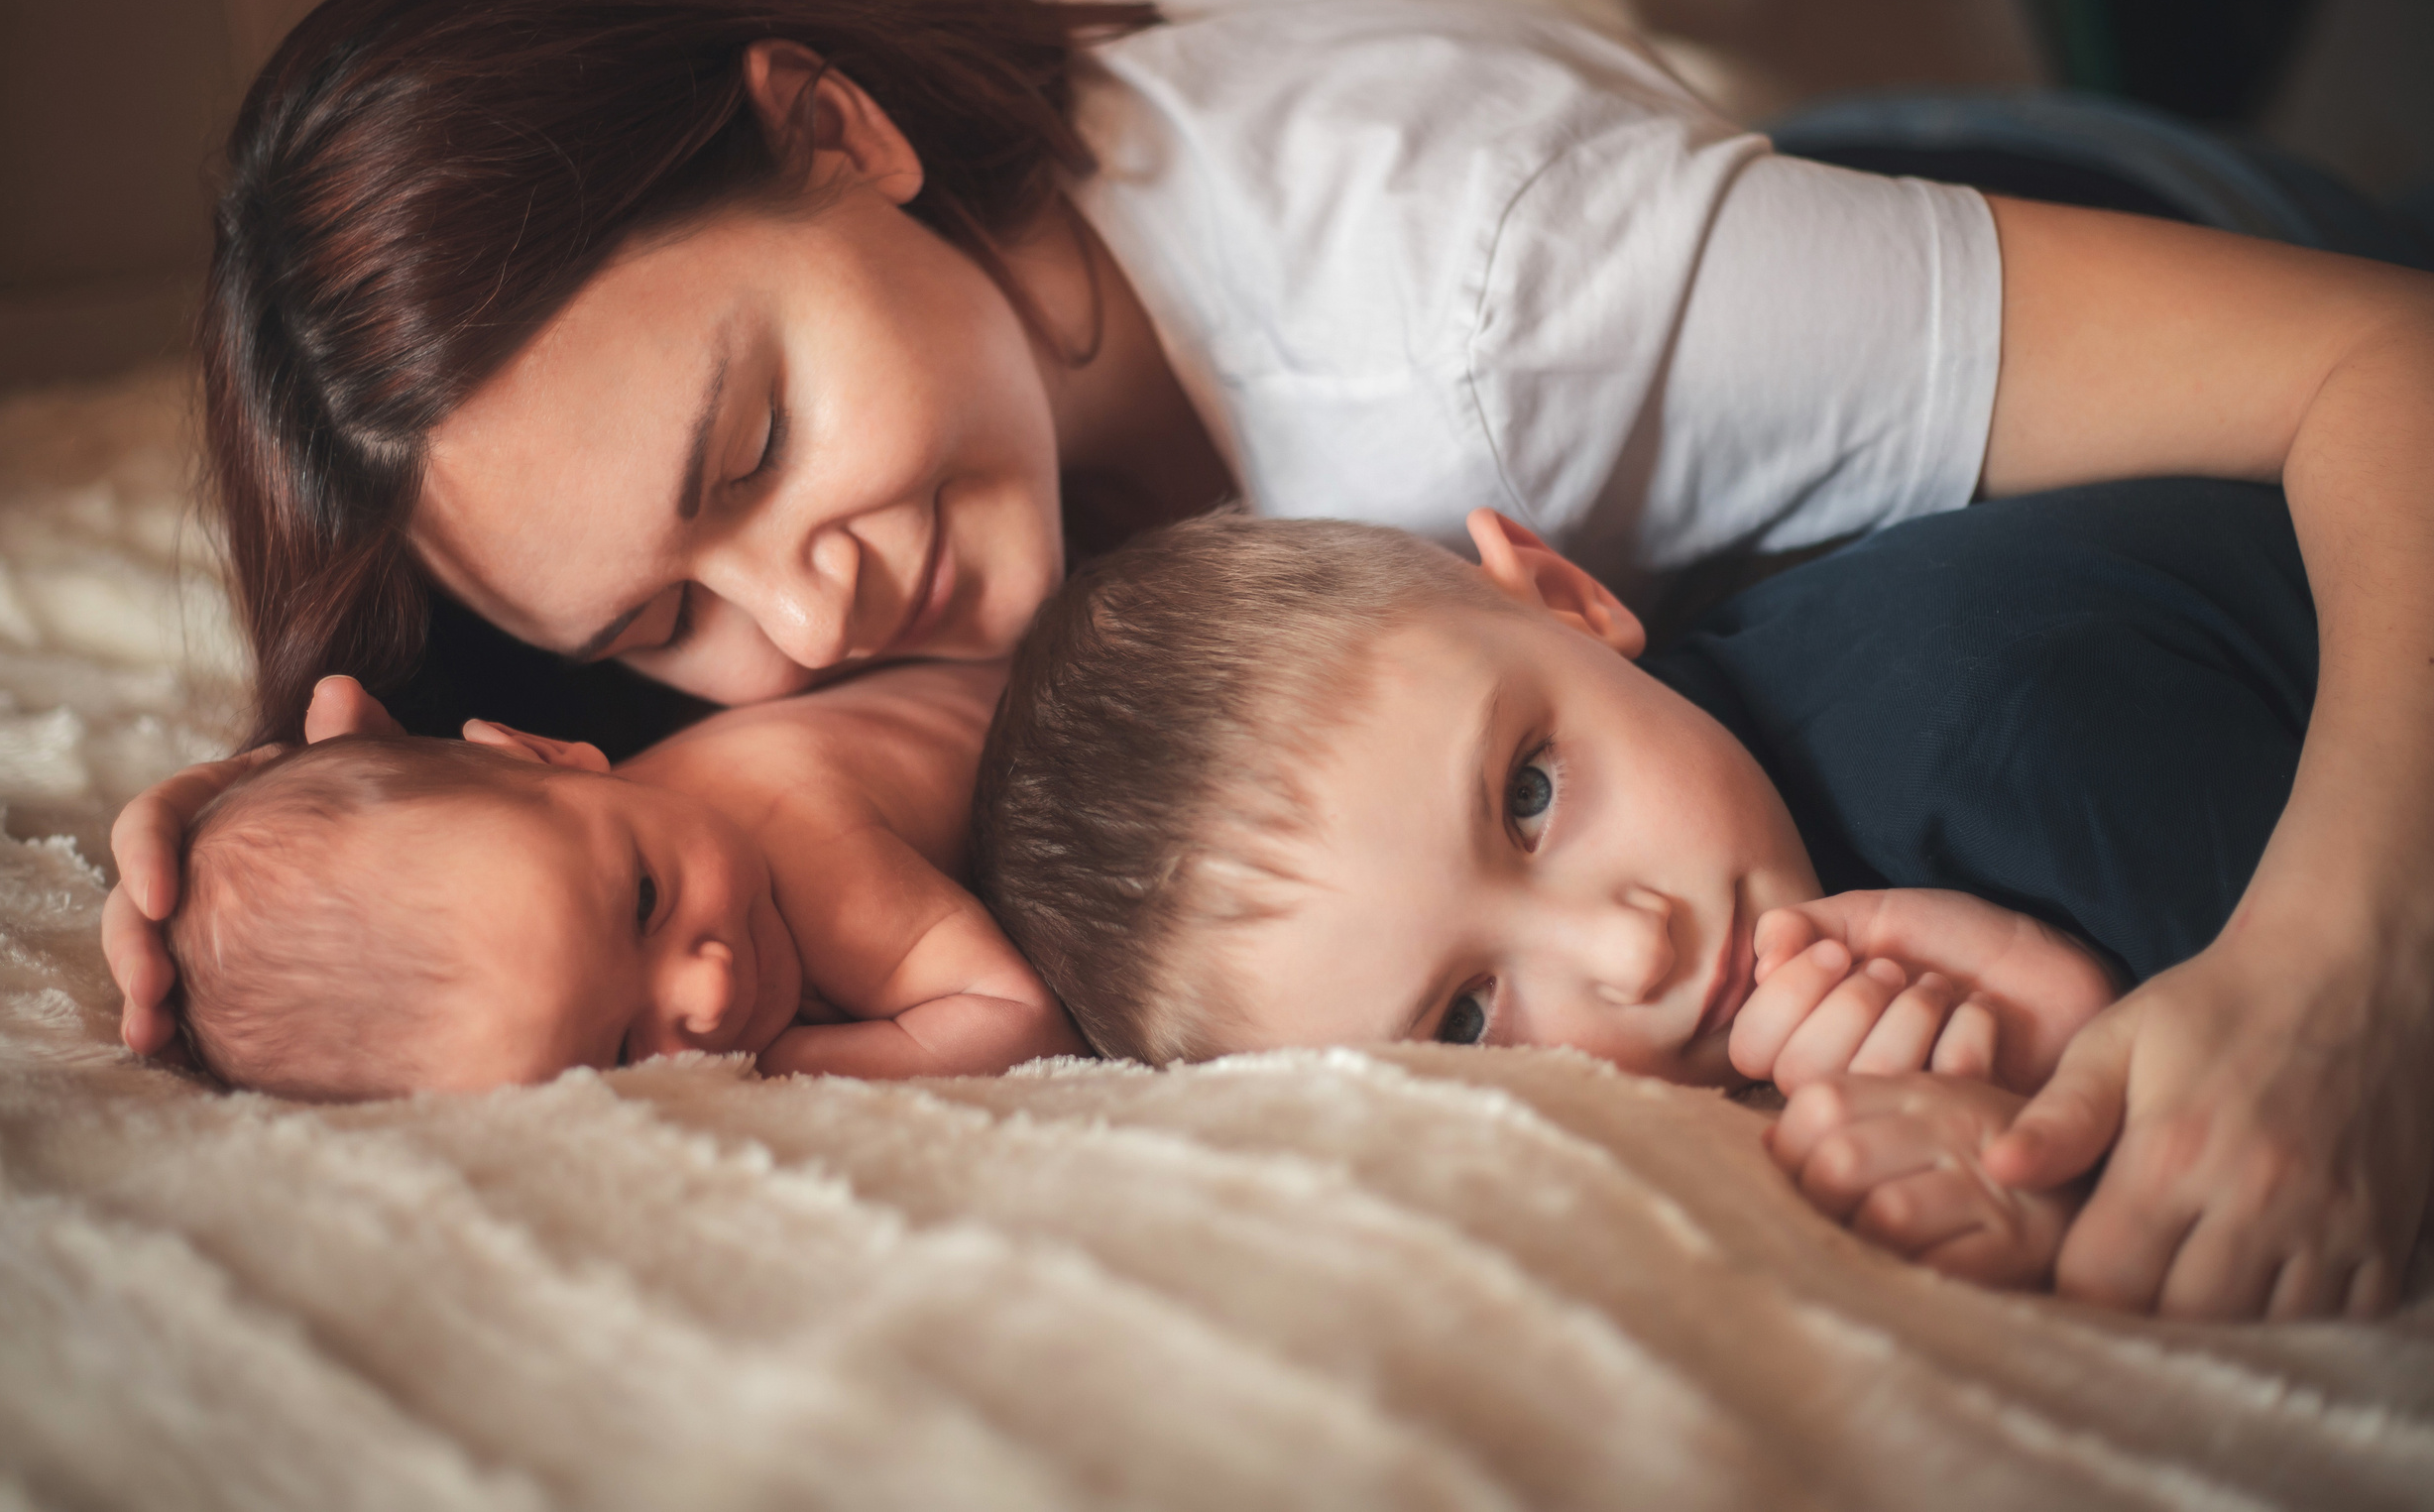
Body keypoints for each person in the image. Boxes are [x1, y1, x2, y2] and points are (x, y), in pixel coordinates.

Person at [98, 0, 2434, 1321]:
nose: (800, 616)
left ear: (834, 132)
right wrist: (310, 837)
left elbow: (2381, 363)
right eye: (659, 616)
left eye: (755, 446)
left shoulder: (1493, 303)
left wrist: (2338, 976)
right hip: (1750, 344)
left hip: (2078, 240)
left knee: (1928, 727)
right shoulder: (749, 524)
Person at [969, 481, 2350, 1291]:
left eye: (1528, 793)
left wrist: (2086, 1114)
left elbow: (2339, 1125)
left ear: (1564, 596)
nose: (1632, 954)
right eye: (1465, 1018)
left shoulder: (1988, 724)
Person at [167, 661, 1074, 1099]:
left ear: (552, 753)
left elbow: (1019, 1016)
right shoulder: (576, 822)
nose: (709, 990)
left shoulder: (805, 846)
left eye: (645, 900)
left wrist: (780, 1067)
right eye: (628, 1052)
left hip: (1090, 706)